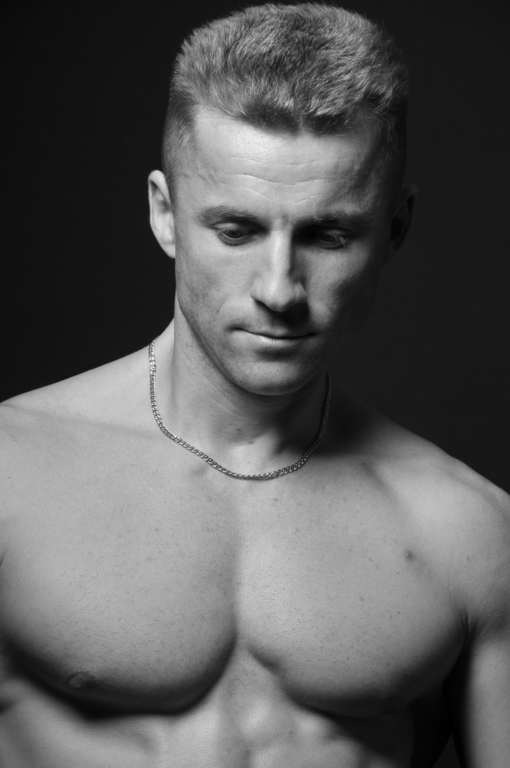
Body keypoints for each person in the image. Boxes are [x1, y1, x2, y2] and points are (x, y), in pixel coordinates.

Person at [0, 2, 508, 766]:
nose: (278, 288)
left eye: (328, 235)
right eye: (236, 230)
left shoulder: (471, 536)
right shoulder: (11, 477)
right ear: (165, 214)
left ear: (394, 229)